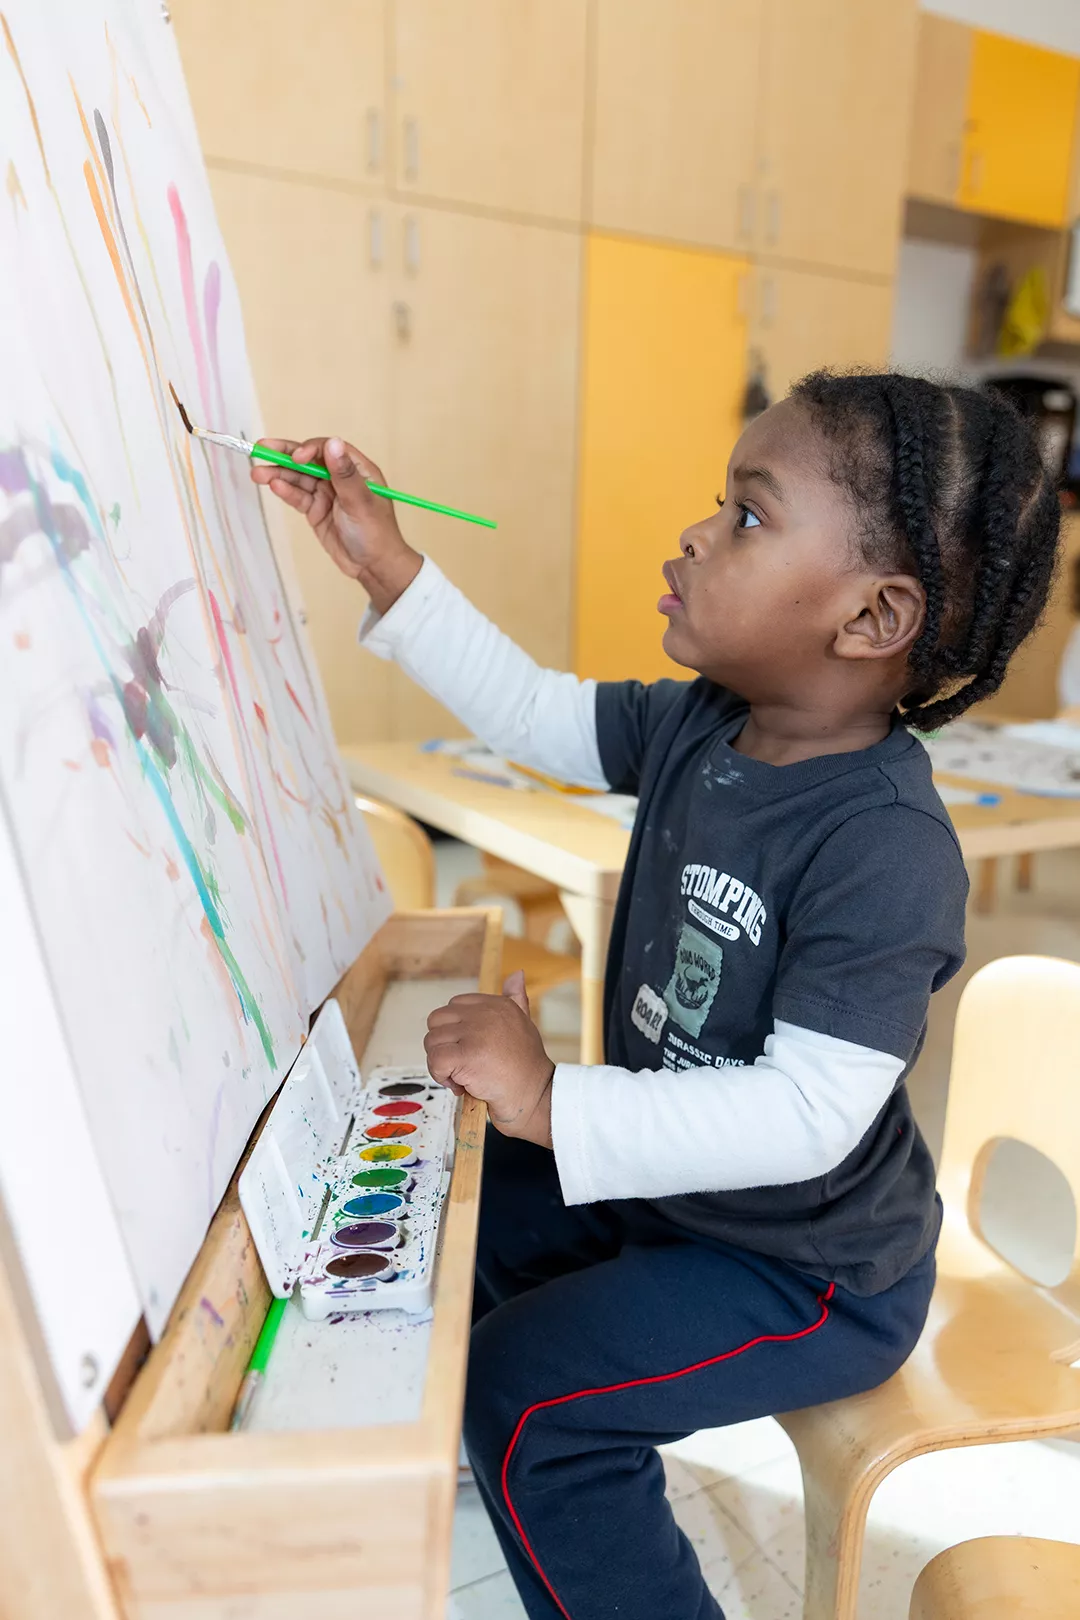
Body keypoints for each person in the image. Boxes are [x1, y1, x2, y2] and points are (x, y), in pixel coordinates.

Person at [255, 372, 1059, 1620]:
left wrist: (553, 1094)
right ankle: (468, 1464)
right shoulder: (708, 724)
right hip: (681, 1200)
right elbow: (530, 709)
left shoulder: (886, 844)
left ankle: (540, 1471)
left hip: (809, 1270)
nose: (696, 532)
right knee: (452, 1205)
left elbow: (806, 1117)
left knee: (531, 1400)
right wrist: (389, 571)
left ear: (872, 616)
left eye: (747, 515)